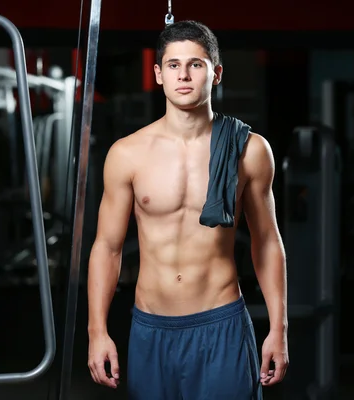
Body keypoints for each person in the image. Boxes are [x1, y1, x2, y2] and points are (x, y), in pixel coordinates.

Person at [87, 20, 289, 399]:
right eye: (174, 65)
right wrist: (97, 332)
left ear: (216, 74)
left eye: (196, 64)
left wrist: (279, 329)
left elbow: (266, 241)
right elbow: (107, 247)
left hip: (221, 324)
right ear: (158, 74)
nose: (184, 75)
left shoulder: (250, 150)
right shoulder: (127, 153)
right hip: (151, 328)